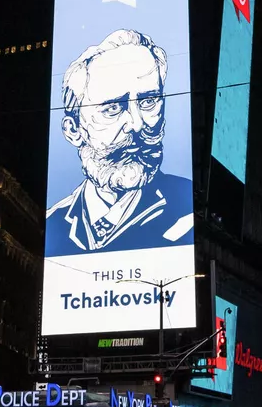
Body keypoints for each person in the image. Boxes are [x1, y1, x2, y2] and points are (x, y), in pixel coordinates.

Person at [45, 29, 195, 254]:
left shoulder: (188, 213)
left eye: (148, 101)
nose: (136, 124)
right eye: (113, 108)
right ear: (74, 130)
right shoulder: (52, 223)